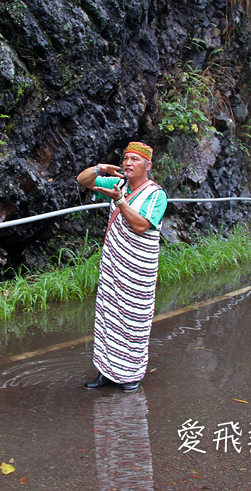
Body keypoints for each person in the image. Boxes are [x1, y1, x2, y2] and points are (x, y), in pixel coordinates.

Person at [76, 142, 168, 392]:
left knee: (133, 319)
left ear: (147, 166)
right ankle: (106, 372)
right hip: (114, 264)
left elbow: (140, 225)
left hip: (138, 269)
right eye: (126, 158)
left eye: (135, 160)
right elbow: (83, 180)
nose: (128, 163)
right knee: (109, 315)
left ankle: (130, 375)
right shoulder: (118, 184)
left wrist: (120, 201)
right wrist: (100, 168)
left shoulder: (156, 195)